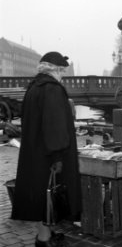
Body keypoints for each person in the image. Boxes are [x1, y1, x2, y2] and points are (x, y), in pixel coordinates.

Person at [12, 52, 82, 247]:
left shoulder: (34, 87)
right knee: (48, 195)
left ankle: (48, 234)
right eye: (62, 72)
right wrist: (58, 156)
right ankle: (44, 240)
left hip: (37, 152)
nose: (63, 76)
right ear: (55, 70)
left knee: (44, 194)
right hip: (49, 154)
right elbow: (55, 125)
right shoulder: (52, 89)